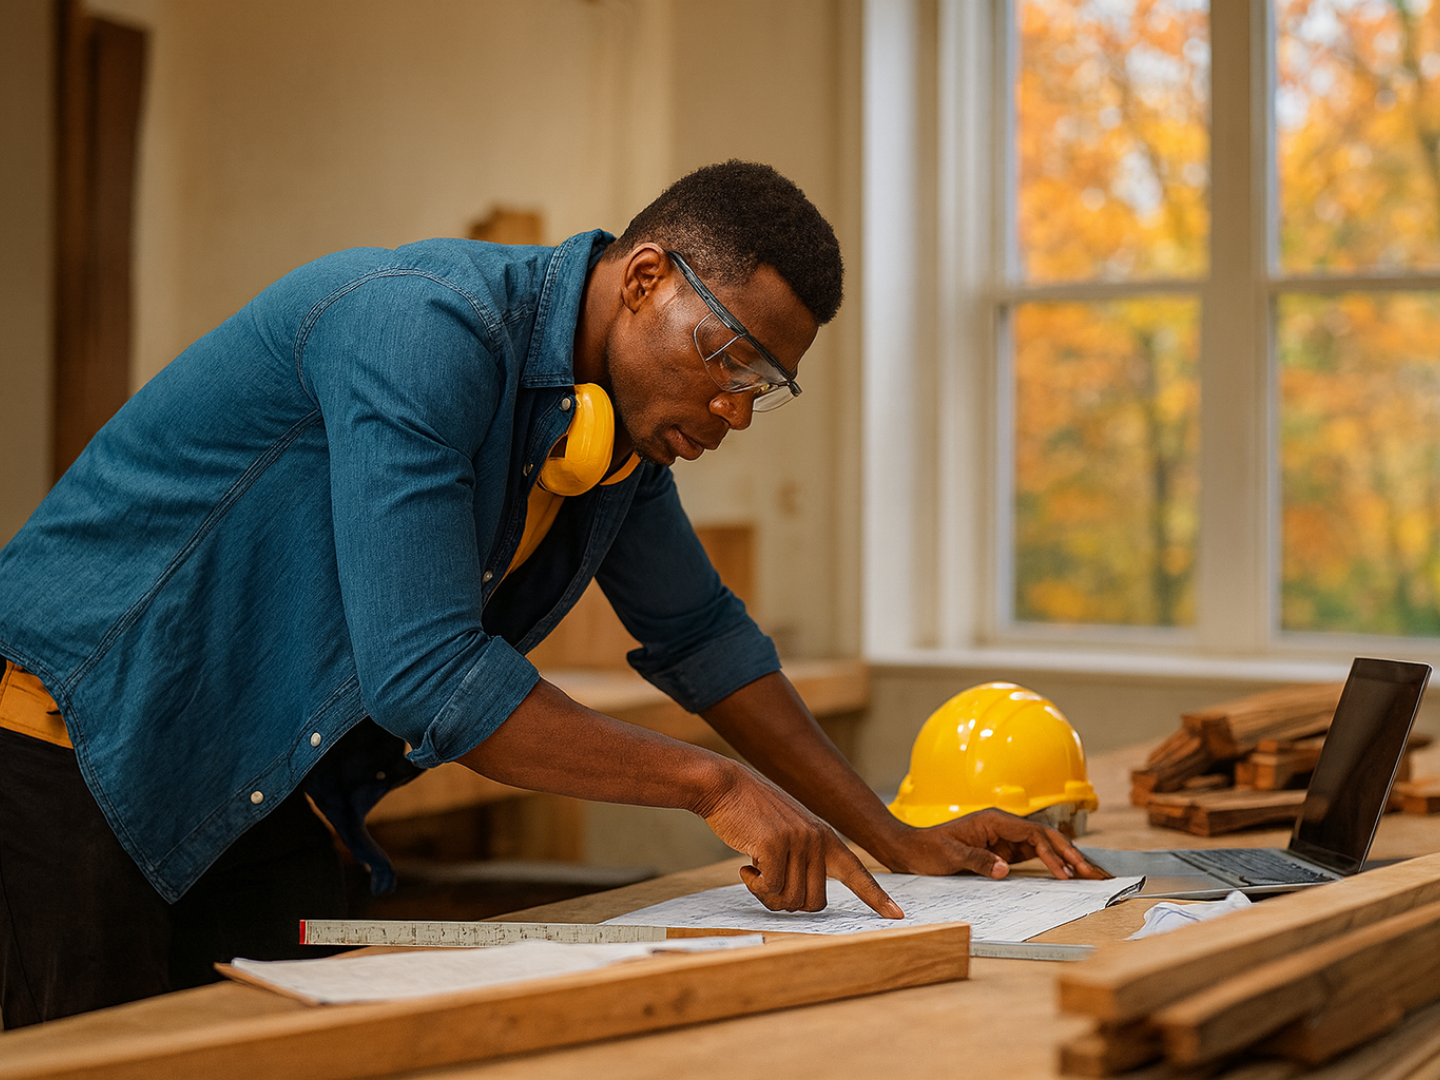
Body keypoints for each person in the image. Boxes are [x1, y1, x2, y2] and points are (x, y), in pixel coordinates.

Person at [0, 161, 1100, 1028]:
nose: (735, 409)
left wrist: (893, 834)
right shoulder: (419, 330)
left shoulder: (614, 441)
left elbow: (704, 638)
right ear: (645, 278)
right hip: (76, 750)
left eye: (765, 383)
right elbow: (428, 673)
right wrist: (712, 787)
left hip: (251, 784)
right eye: (728, 358)